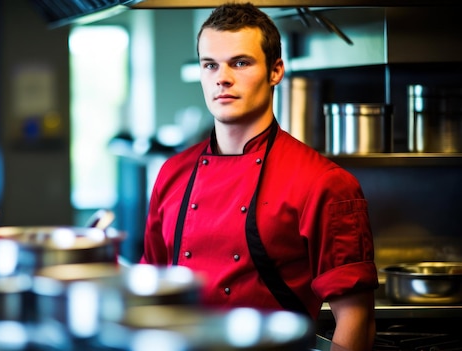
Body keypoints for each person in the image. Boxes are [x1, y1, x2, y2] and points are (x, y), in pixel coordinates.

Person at [140, 3, 379, 350]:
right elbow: (152, 288)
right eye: (210, 65)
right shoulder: (172, 173)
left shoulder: (324, 183)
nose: (222, 77)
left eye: (240, 62)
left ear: (275, 71)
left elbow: (357, 318)